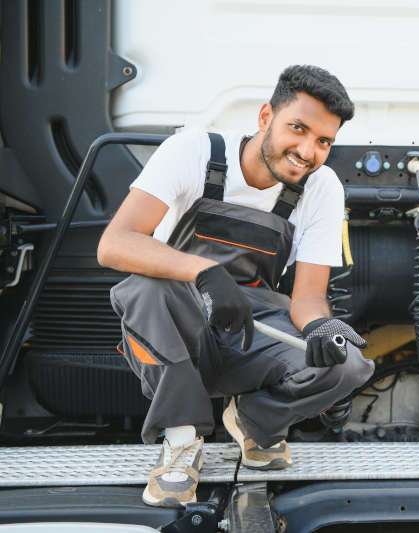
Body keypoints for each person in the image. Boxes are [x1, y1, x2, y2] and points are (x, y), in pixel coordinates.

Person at [97, 65, 374, 508]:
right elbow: (115, 244)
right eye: (297, 129)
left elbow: (307, 297)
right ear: (266, 117)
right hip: (179, 320)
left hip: (251, 327)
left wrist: (321, 327)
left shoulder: (321, 187)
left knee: (350, 365)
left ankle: (253, 422)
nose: (307, 151)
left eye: (323, 141)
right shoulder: (193, 151)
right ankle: (182, 442)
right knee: (145, 288)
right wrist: (203, 273)